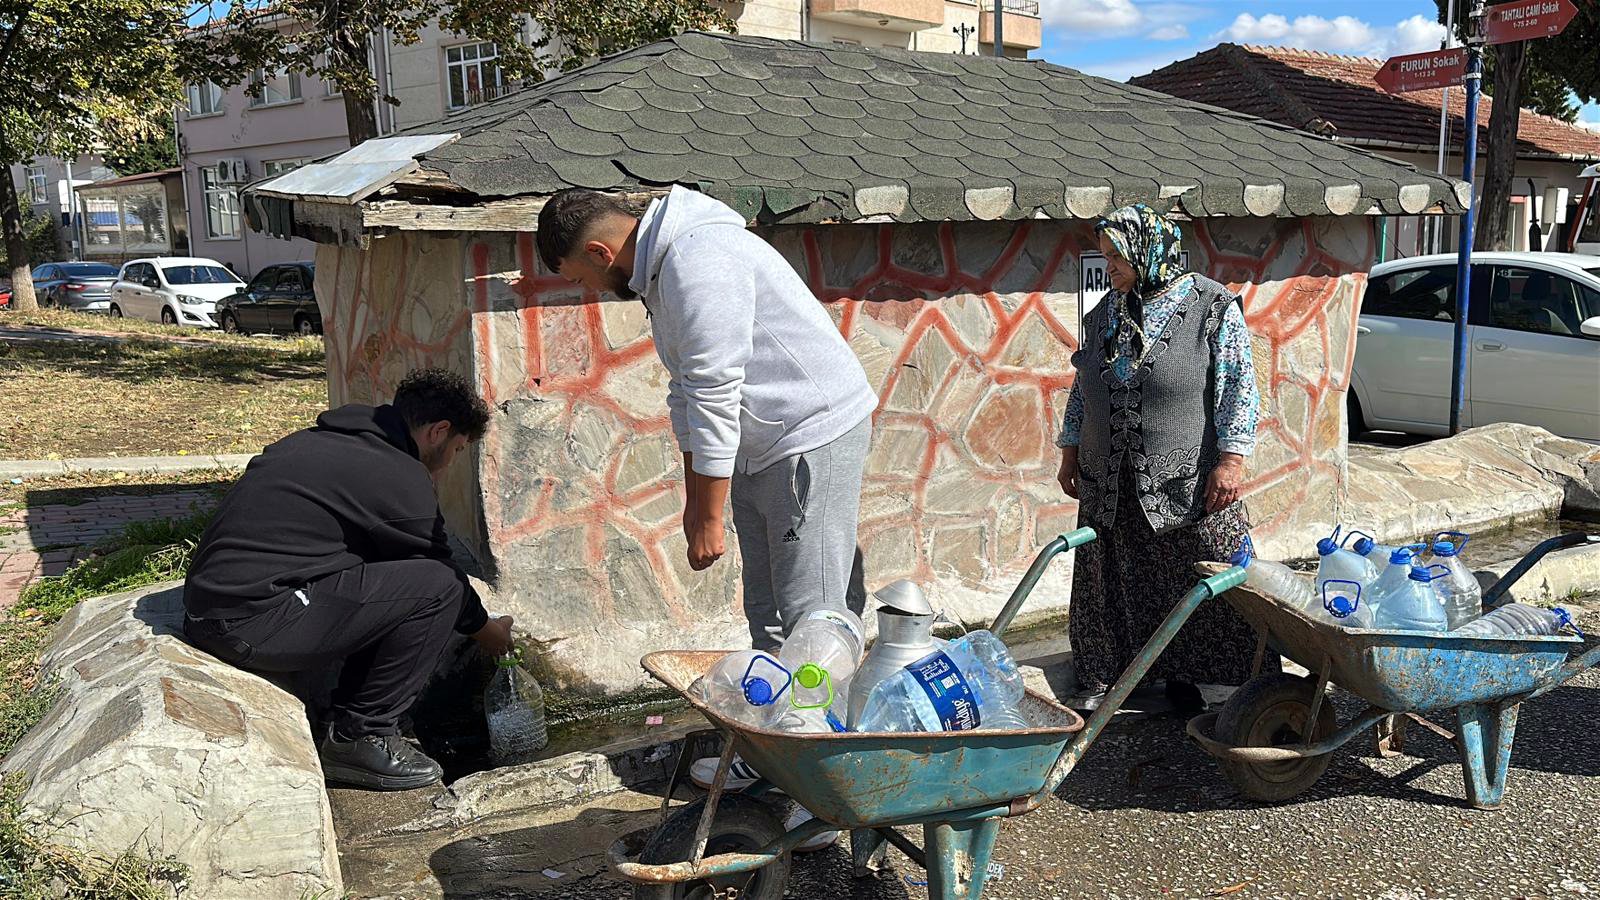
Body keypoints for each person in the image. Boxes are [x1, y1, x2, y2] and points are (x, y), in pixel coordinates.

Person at [535, 185, 877, 848]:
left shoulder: (700, 258)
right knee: (770, 612)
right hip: (761, 443)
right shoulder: (662, 269)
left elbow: (716, 393)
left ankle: (826, 797)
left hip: (809, 432)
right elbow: (686, 389)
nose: (585, 288)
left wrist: (709, 516)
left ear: (602, 251)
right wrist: (698, 501)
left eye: (579, 275)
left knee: (815, 618)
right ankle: (780, 754)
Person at [183, 368, 512, 791]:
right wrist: (488, 632)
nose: (452, 461)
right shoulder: (399, 475)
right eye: (458, 449)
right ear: (439, 431)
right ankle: (359, 737)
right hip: (250, 624)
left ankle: (351, 713)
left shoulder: (316, 441)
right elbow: (441, 575)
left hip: (213, 611)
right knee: (439, 588)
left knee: (403, 578)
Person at [1055, 204, 1268, 715]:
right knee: (1113, 576)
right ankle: (1120, 674)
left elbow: (1239, 388)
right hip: (1111, 479)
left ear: (1148, 252)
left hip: (1186, 481)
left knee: (1201, 574)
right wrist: (1069, 449)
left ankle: (1218, 684)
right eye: (1105, 257)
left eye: (1117, 257)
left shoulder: (1212, 308)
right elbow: (1083, 388)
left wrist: (1232, 461)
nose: (1109, 267)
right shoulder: (1104, 314)